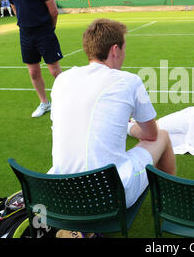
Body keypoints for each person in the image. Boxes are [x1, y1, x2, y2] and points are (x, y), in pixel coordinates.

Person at [48, 18, 176, 207]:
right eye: (124, 49)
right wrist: (133, 128)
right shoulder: (129, 81)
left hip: (63, 193)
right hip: (109, 194)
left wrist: (126, 126)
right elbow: (151, 135)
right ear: (115, 50)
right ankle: (169, 200)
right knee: (162, 136)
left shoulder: (62, 79)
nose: (124, 54)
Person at [3, 0, 62, 117]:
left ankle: (69, 101)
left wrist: (49, 29)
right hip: (25, 34)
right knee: (33, 71)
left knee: (54, 70)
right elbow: (16, 10)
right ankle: (44, 103)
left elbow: (53, 11)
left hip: (44, 32)